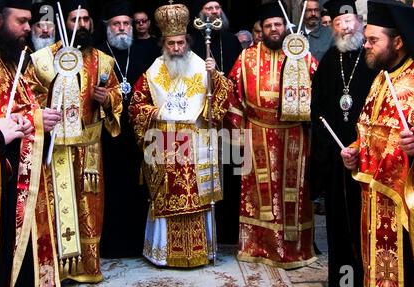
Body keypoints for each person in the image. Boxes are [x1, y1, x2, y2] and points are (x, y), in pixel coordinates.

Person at [128, 1, 233, 268]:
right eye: (171, 44)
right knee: (167, 199)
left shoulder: (201, 65)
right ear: (164, 43)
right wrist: (156, 114)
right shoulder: (153, 71)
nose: (176, 48)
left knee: (198, 198)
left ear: (187, 42)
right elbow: (135, 106)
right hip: (163, 144)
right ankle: (164, 253)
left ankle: (201, 251)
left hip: (196, 142)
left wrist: (215, 77)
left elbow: (221, 98)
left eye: (180, 43)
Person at [26, 0, 123, 283]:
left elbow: (116, 97)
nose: (81, 25)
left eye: (85, 20)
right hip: (53, 149)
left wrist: (108, 100)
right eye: (74, 20)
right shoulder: (43, 59)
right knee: (55, 208)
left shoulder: (104, 61)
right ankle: (53, 269)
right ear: (63, 23)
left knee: (88, 208)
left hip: (89, 149)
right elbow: (28, 97)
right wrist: (43, 109)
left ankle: (87, 268)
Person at [226, 0, 318, 269]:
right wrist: (239, 134)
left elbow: (318, 90)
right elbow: (233, 95)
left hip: (293, 136)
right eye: (269, 26)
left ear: (285, 27)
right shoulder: (246, 58)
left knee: (294, 194)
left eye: (278, 25)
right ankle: (258, 247)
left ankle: (294, 249)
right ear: (261, 29)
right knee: (259, 196)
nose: (274, 29)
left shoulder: (300, 54)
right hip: (257, 135)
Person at [0, 0, 61, 287]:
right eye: (22, 21)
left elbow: (20, 113)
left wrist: (41, 117)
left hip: (18, 184)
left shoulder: (10, 59)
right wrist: (28, 122)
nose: (29, 28)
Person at [341, 0, 414, 287]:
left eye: (373, 40)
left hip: (402, 206)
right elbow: (367, 130)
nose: (366, 46)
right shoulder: (380, 79)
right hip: (372, 200)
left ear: (397, 42)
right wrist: (354, 151)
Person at [310, 0, 377, 287]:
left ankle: (368, 281)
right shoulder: (327, 62)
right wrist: (328, 148)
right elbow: (318, 109)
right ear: (333, 27)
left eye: (349, 20)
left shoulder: (374, 59)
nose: (346, 26)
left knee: (367, 221)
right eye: (339, 22)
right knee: (339, 219)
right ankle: (343, 283)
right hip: (339, 157)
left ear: (359, 23)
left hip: (369, 156)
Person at [96, 0, 159, 258]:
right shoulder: (99, 55)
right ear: (108, 27)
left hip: (139, 134)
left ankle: (137, 244)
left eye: (126, 23)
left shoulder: (146, 52)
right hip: (109, 135)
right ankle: (111, 245)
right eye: (117, 24)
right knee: (112, 188)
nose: (122, 28)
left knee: (138, 189)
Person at [190, 0, 243, 245]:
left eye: (217, 8)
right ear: (201, 13)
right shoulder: (191, 41)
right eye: (209, 8)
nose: (213, 12)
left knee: (232, 171)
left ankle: (230, 230)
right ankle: (209, 230)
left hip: (230, 118)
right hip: (201, 115)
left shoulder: (232, 41)